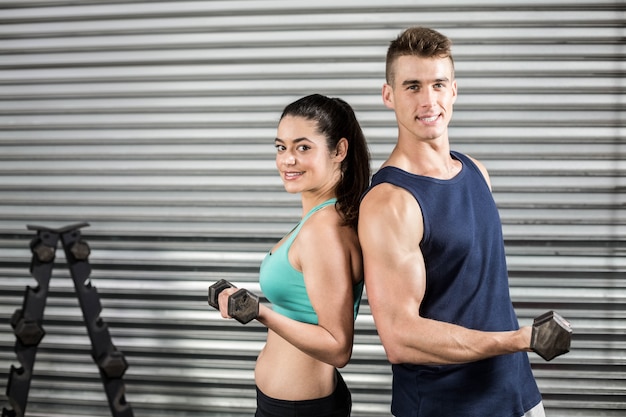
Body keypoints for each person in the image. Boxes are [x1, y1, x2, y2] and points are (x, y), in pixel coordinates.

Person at [358, 27, 545, 417]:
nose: (429, 101)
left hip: (518, 395)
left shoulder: (476, 171)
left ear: (454, 90)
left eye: (438, 84)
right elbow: (400, 338)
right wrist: (517, 340)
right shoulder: (389, 203)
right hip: (446, 407)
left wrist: (515, 352)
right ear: (388, 95)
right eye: (412, 86)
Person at [216, 93, 371, 417]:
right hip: (290, 404)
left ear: (339, 150)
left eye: (303, 147)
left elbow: (338, 347)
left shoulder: (323, 230)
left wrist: (259, 312)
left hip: (300, 409)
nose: (287, 160)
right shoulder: (320, 219)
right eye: (281, 147)